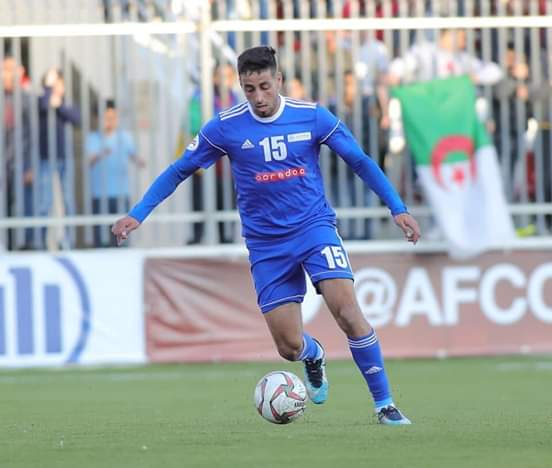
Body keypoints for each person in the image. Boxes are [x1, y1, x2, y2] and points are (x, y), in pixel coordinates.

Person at [112, 46, 421, 425]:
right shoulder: (224, 127)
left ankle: (384, 404)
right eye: (249, 89)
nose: (258, 97)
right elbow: (180, 170)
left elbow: (359, 160)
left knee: (347, 311)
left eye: (264, 86)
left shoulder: (312, 117)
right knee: (288, 346)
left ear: (278, 80)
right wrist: (138, 214)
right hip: (266, 245)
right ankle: (312, 354)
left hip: (314, 229)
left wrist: (397, 207)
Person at [86, 100, 143, 247]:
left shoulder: (125, 138)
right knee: (101, 240)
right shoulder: (93, 138)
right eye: (107, 118)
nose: (110, 122)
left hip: (121, 195)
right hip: (99, 195)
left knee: (121, 239)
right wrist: (101, 153)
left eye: (113, 118)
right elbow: (88, 162)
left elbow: (136, 157)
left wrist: (140, 160)